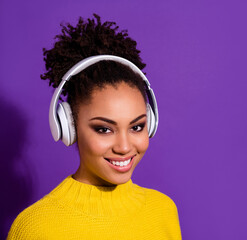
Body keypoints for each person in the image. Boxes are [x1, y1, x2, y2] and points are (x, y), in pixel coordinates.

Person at [7, 14, 181, 239]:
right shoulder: (36, 227)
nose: (124, 146)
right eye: (104, 129)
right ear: (69, 126)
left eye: (136, 127)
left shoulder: (163, 210)